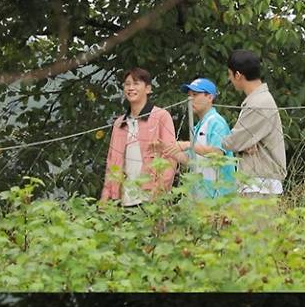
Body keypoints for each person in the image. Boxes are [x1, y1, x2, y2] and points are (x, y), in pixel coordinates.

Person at [100, 67, 178, 205]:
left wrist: (159, 191)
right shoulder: (119, 123)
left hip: (150, 198)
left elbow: (170, 157)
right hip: (122, 199)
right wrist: (106, 197)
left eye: (136, 83)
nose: (131, 88)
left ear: (148, 89)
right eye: (127, 84)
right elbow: (112, 162)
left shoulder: (161, 116)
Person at [222, 50, 287, 196]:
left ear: (238, 75)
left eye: (230, 74)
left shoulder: (258, 104)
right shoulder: (259, 99)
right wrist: (243, 144)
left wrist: (240, 144)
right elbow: (240, 141)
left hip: (260, 184)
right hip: (258, 183)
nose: (229, 78)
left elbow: (231, 142)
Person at [176, 76, 237, 199]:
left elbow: (218, 153)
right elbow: (190, 160)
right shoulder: (198, 125)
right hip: (202, 195)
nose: (190, 99)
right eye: (189, 95)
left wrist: (187, 144)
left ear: (210, 97)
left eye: (195, 94)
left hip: (220, 195)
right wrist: (168, 149)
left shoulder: (216, 122)